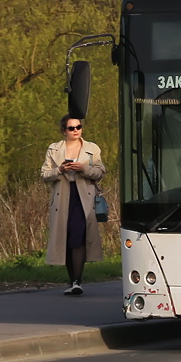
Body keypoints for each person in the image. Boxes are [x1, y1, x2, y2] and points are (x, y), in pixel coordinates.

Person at [41, 114, 105, 296]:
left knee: (79, 234)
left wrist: (82, 168)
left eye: (78, 127)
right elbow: (44, 175)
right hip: (62, 197)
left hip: (83, 197)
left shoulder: (92, 148)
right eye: (72, 128)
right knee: (66, 236)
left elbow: (100, 172)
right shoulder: (54, 149)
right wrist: (60, 169)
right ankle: (72, 280)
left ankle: (77, 280)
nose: (76, 130)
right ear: (64, 131)